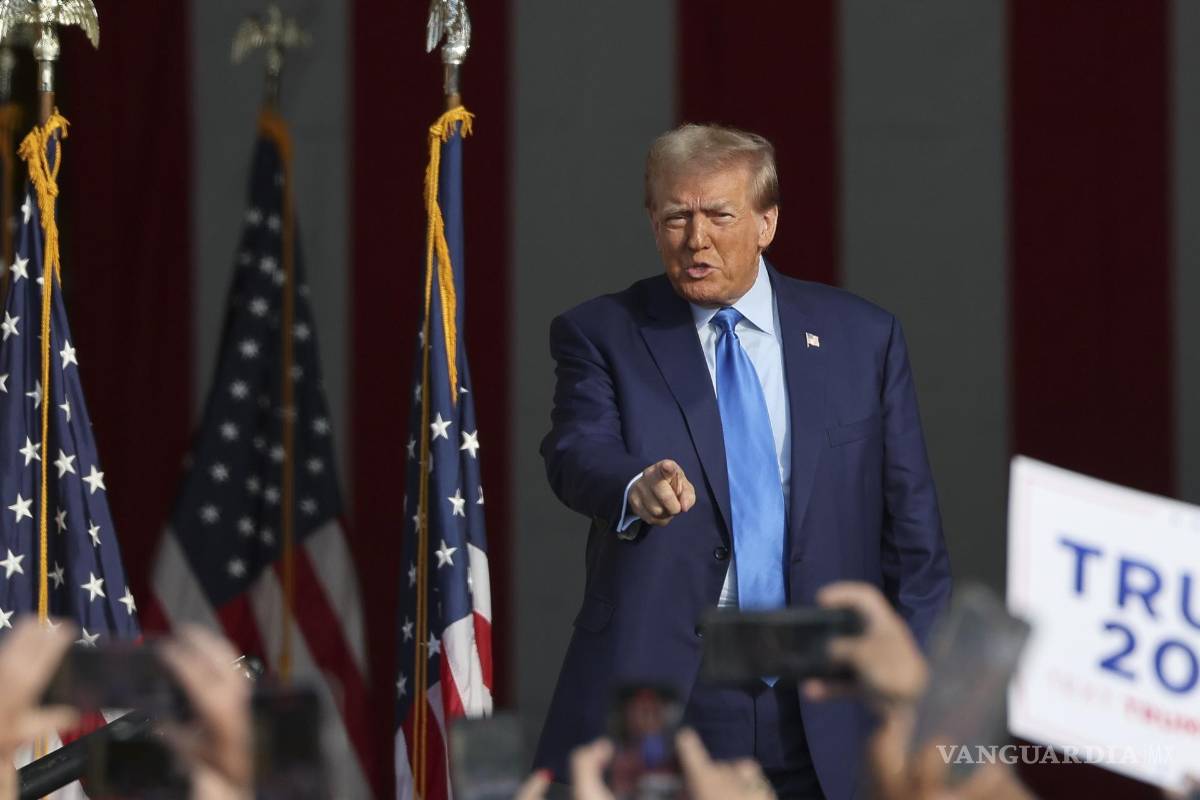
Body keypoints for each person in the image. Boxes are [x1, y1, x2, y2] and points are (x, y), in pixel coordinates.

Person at [533, 123, 953, 798]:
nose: (696, 240)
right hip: (675, 692)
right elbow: (577, 449)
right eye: (675, 217)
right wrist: (635, 485)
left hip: (831, 695)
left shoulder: (862, 338)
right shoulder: (602, 332)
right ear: (652, 221)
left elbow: (915, 544)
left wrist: (924, 704)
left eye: (720, 217)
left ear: (767, 222)